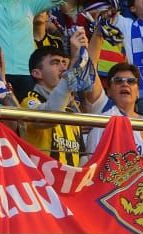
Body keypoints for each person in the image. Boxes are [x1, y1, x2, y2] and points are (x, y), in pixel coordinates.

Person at [20, 32, 102, 166]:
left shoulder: (71, 109)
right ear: (37, 73)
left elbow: (81, 156)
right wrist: (74, 64)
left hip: (70, 185)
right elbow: (52, 113)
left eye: (65, 62)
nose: (63, 67)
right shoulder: (29, 102)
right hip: (41, 183)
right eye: (55, 62)